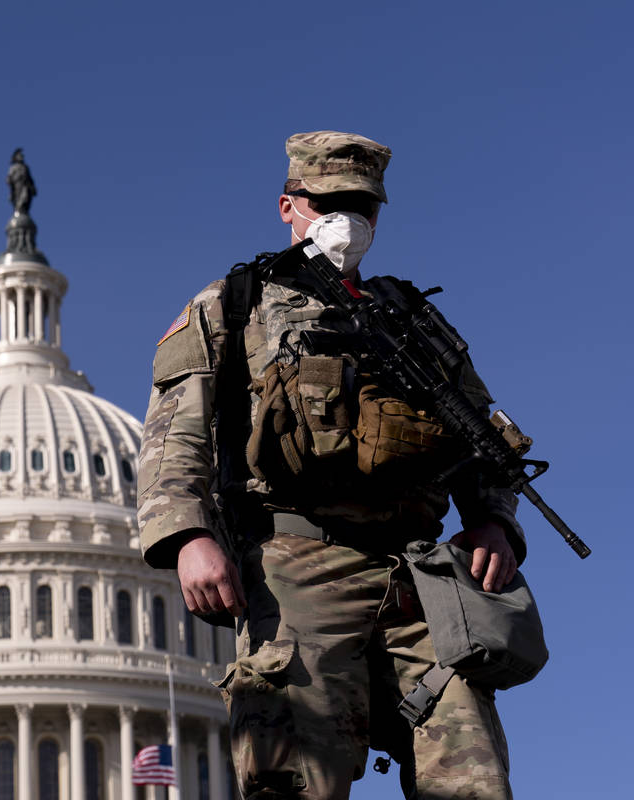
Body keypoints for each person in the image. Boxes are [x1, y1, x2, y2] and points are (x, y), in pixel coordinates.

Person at [137, 132, 522, 799]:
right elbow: (176, 431)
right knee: (296, 779)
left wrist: (493, 523)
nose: (348, 219)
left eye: (363, 206)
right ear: (289, 205)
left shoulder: (413, 319)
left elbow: (481, 435)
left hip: (420, 574)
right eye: (329, 202)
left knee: (473, 777)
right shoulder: (233, 304)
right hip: (299, 565)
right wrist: (189, 536)